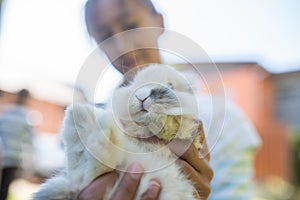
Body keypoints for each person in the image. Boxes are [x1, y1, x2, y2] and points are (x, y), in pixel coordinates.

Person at [78, 0, 261, 199]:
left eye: (131, 25)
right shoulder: (92, 126)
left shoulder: (225, 120)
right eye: (105, 37)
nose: (122, 46)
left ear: (159, 22)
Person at [0, 89, 34, 200]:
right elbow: (30, 143)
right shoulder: (28, 118)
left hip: (3, 155)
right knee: (5, 188)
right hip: (14, 159)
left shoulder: (6, 113)